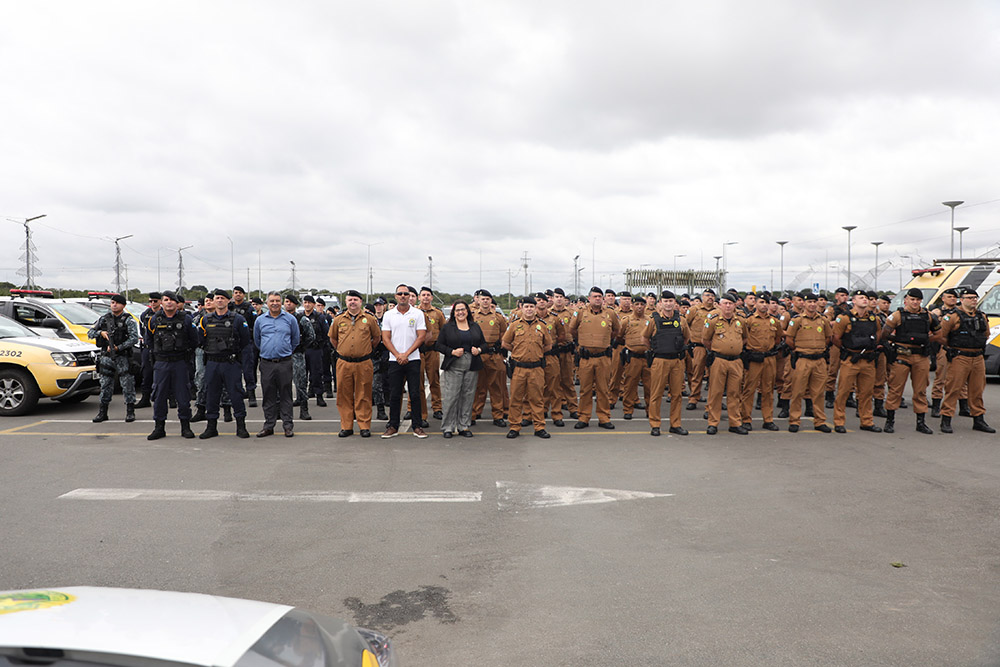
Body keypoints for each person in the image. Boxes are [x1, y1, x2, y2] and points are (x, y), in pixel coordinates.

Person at [935, 288, 995, 433]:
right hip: (960, 357)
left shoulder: (981, 316)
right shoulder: (952, 317)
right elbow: (941, 336)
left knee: (977, 390)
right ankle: (946, 419)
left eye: (975, 297)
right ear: (961, 300)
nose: (973, 300)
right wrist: (952, 347)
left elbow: (986, 334)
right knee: (953, 389)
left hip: (977, 357)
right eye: (970, 298)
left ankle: (978, 419)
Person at [881, 287, 939, 434]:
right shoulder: (897, 315)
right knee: (895, 389)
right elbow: (884, 333)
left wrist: (925, 340)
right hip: (902, 356)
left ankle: (921, 423)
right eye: (912, 299)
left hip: (921, 357)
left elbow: (939, 333)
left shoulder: (928, 316)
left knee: (920, 390)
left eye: (918, 300)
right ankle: (890, 421)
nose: (915, 302)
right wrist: (899, 340)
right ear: (906, 300)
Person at [194, 289, 251, 439]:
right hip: (212, 363)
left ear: (228, 301)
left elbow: (245, 341)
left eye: (222, 298)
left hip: (230, 363)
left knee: (236, 395)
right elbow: (200, 340)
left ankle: (241, 427)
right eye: (217, 298)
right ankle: (211, 427)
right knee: (211, 396)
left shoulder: (238, 319)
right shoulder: (206, 320)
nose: (219, 300)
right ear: (213, 301)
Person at [146, 291, 199, 440]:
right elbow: (149, 340)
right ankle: (159, 428)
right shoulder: (154, 319)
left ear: (177, 303)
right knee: (159, 396)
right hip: (161, 363)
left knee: (183, 397)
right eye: (166, 300)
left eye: (172, 300)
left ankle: (185, 427)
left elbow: (194, 340)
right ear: (162, 303)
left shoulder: (186, 319)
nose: (169, 302)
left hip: (180, 363)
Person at [329, 290, 382, 438]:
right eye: (350, 300)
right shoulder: (338, 319)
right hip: (344, 363)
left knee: (363, 394)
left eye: (355, 300)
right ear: (346, 302)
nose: (352, 302)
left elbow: (376, 338)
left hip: (363, 362)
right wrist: (343, 350)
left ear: (360, 302)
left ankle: (364, 426)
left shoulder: (369, 319)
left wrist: (364, 350)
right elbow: (333, 339)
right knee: (343, 395)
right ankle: (346, 426)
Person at [501, 296, 554, 438]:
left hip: (536, 368)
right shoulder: (514, 325)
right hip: (519, 368)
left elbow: (548, 345)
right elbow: (505, 343)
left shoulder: (542, 325)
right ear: (522, 308)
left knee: (537, 399)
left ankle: (539, 427)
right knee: (516, 399)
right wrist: (518, 351)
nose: (529, 309)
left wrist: (537, 353)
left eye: (531, 307)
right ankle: (514, 427)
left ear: (535, 309)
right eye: (526, 307)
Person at [831, 290, 882, 433]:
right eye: (861, 297)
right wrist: (848, 349)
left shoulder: (873, 318)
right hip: (850, 359)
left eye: (866, 298)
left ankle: (867, 421)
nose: (865, 300)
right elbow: (836, 338)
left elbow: (878, 333)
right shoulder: (844, 318)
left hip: (868, 360)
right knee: (843, 392)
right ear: (853, 301)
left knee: (866, 393)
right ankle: (839, 422)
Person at [381, 284, 428, 438]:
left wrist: (406, 354)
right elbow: (385, 338)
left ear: (410, 296)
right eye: (400, 294)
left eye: (406, 294)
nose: (403, 296)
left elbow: (421, 336)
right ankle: (393, 426)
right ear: (395, 296)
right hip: (394, 360)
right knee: (395, 394)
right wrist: (397, 355)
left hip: (413, 359)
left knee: (415, 393)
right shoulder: (389, 315)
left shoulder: (418, 313)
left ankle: (417, 426)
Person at [569, 286, 621, 429]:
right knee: (585, 390)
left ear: (603, 299)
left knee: (603, 389)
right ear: (589, 298)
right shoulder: (581, 313)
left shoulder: (610, 313)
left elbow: (616, 330)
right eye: (595, 296)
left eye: (600, 297)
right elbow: (572, 330)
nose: (597, 299)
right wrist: (583, 341)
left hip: (603, 358)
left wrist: (605, 341)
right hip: (586, 358)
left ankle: (604, 418)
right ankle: (583, 417)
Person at [642, 290, 690, 436]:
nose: (668, 304)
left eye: (671, 301)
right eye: (665, 301)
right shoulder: (653, 320)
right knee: (656, 393)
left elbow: (686, 338)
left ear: (675, 303)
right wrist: (655, 349)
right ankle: (655, 425)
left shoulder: (681, 320)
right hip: (660, 360)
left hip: (676, 361)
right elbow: (645, 338)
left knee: (676, 394)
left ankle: (675, 424)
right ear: (660, 303)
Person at [435, 299, 485, 437]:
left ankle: (464, 426)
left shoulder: (474, 326)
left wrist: (479, 350)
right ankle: (448, 427)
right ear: (454, 313)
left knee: (468, 396)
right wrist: (452, 352)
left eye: (463, 309)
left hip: (471, 364)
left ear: (467, 311)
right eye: (457, 310)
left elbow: (484, 344)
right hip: (454, 365)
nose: (460, 312)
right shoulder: (448, 327)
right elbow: (439, 345)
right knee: (451, 396)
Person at [785, 292, 832, 433]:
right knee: (798, 392)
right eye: (809, 302)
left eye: (814, 302)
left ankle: (819, 421)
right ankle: (794, 421)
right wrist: (800, 350)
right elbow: (789, 339)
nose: (812, 304)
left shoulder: (823, 320)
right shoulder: (797, 320)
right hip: (803, 359)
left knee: (818, 393)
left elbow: (828, 338)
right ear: (804, 304)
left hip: (819, 360)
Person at [254, 291, 300, 437]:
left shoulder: (290, 319)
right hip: (267, 363)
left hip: (284, 362)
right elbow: (257, 340)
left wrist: (285, 351)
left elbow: (295, 340)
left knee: (286, 394)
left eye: (277, 301)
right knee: (268, 394)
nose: (275, 303)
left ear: (281, 302)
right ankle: (269, 425)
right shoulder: (260, 320)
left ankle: (288, 425)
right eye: (272, 301)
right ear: (267, 303)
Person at [89, 293, 140, 423]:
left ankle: (130, 411)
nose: (114, 305)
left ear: (123, 305)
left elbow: (134, 338)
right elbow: (90, 333)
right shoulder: (104, 319)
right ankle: (103, 412)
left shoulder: (128, 320)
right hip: (106, 357)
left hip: (123, 357)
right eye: (112, 303)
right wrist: (101, 333)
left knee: (127, 384)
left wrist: (118, 348)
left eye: (117, 303)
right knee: (105, 385)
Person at [703, 293, 748, 435]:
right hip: (719, 360)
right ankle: (713, 423)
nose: (728, 306)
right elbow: (706, 340)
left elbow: (745, 338)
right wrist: (719, 349)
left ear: (735, 306)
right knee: (715, 392)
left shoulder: (741, 320)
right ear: (720, 305)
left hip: (736, 361)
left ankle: (735, 423)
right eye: (725, 303)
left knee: (734, 393)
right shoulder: (713, 320)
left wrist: (734, 348)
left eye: (731, 303)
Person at [739, 293, 782, 432]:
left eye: (766, 302)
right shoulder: (749, 320)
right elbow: (743, 338)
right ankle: (746, 419)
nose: (764, 305)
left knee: (768, 390)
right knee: (749, 389)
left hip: (769, 358)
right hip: (754, 358)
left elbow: (778, 338)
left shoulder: (774, 321)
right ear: (756, 303)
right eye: (761, 302)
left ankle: (768, 420)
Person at [471, 289, 509, 427]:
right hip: (478, 356)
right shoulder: (472, 316)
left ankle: (498, 415)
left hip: (494, 355)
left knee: (496, 387)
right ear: (478, 300)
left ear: (491, 300)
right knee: (477, 387)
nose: (485, 301)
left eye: (488, 299)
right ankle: (474, 414)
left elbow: (504, 335)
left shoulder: (498, 317)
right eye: (483, 299)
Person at [284, 294, 317, 420]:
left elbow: (311, 336)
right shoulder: (280, 318)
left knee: (301, 383)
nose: (288, 304)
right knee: (282, 384)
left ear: (295, 305)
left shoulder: (301, 319)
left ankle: (304, 409)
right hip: (282, 355)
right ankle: (281, 411)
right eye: (286, 302)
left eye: (291, 302)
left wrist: (301, 347)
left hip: (297, 354)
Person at [619, 296, 651, 420]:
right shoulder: (626, 320)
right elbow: (619, 336)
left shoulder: (650, 320)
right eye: (637, 304)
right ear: (632, 306)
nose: (639, 307)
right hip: (633, 358)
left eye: (642, 304)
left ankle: (650, 410)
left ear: (645, 306)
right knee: (630, 385)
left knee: (650, 386)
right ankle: (628, 409)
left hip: (647, 358)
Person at [686, 289, 718, 410]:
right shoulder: (694, 310)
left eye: (712, 295)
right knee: (697, 373)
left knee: (715, 376)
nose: (710, 297)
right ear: (702, 297)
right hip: (698, 346)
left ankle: (714, 401)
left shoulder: (718, 311)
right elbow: (685, 325)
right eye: (707, 295)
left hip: (714, 347)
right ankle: (694, 398)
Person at [230, 286, 258, 407]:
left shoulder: (249, 308)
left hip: (246, 343)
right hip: (232, 344)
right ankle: (237, 394)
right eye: (236, 293)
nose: (238, 295)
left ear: (243, 295)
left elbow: (255, 325)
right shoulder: (229, 307)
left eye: (240, 293)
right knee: (233, 371)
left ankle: (251, 394)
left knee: (248, 370)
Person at [134, 292, 161, 409]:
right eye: (150, 301)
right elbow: (142, 331)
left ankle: (170, 398)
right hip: (148, 348)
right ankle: (145, 398)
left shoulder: (164, 314)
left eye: (155, 301)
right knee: (146, 373)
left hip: (161, 349)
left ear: (160, 301)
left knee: (163, 374)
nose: (153, 303)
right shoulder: (145, 315)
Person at [301, 295, 328, 408]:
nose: (307, 305)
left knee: (317, 373)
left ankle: (319, 396)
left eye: (309, 303)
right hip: (303, 350)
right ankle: (301, 398)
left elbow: (326, 333)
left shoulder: (319, 317)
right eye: (305, 302)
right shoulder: (300, 317)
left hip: (315, 349)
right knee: (302, 375)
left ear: (313, 304)